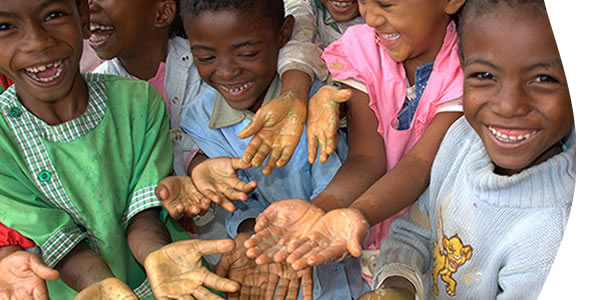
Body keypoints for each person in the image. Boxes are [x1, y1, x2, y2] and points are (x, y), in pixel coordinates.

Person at [0, 0, 240, 298]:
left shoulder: (138, 101)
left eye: (54, 15)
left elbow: (144, 214)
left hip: (168, 280)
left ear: (84, 18)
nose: (37, 41)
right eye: (4, 26)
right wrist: (98, 283)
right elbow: (54, 237)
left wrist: (155, 255)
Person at [360, 0, 575, 298]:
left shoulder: (553, 239)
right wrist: (398, 288)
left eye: (544, 79)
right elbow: (413, 233)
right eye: (484, 76)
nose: (509, 105)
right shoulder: (461, 140)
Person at [156, 0, 369, 298]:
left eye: (247, 54)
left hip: (353, 267)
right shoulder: (200, 119)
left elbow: (347, 178)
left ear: (283, 34)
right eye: (205, 57)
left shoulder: (318, 99)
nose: (227, 71)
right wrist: (249, 232)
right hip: (280, 275)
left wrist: (303, 230)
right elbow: (242, 201)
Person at [244, 0, 466, 283]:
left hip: (443, 248)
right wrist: (320, 208)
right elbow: (366, 158)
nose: (370, 18)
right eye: (363, 1)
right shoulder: (366, 50)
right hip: (376, 244)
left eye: (385, 3)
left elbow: (419, 164)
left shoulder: (468, 66)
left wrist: (358, 213)